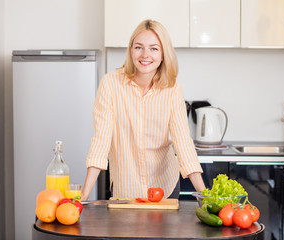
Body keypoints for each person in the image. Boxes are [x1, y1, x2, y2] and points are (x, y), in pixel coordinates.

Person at [81, 19, 205, 201]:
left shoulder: (172, 89)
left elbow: (183, 143)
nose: (145, 54)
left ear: (163, 54)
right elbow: (101, 141)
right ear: (131, 50)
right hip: (125, 188)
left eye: (154, 48)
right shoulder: (110, 84)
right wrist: (84, 195)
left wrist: (204, 195)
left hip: (164, 186)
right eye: (139, 47)